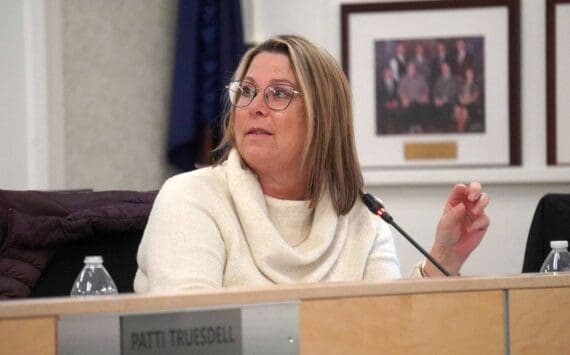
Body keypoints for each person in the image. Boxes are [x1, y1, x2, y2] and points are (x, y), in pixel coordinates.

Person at [134, 35, 490, 293]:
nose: (255, 105)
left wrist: (443, 256)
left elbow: (392, 329)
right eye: (246, 90)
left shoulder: (363, 217)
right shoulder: (192, 198)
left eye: (278, 93)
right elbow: (195, 337)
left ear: (323, 116)